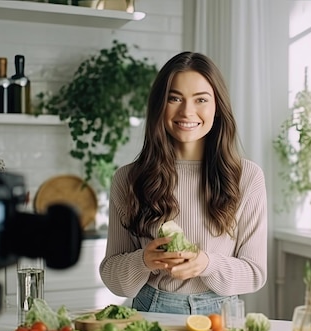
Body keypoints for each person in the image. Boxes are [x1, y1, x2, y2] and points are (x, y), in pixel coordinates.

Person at [99, 51, 268, 315]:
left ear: (217, 107)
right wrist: (143, 260)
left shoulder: (247, 177)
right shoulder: (128, 179)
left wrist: (206, 264)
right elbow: (112, 276)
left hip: (221, 317)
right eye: (174, 98)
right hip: (149, 311)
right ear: (159, 107)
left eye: (201, 99)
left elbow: (255, 274)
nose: (187, 111)